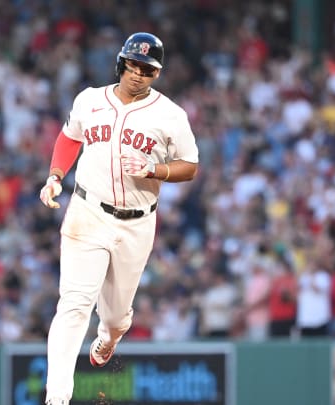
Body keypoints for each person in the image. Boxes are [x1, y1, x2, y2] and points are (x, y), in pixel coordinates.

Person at [38, 32, 199, 405]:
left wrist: (155, 169)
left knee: (114, 318)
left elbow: (190, 166)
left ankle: (109, 337)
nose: (139, 73)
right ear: (121, 62)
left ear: (157, 74)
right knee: (74, 304)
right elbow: (69, 137)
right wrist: (55, 176)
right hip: (88, 212)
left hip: (136, 223)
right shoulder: (90, 100)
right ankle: (57, 397)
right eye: (134, 64)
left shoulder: (171, 115)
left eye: (148, 69)